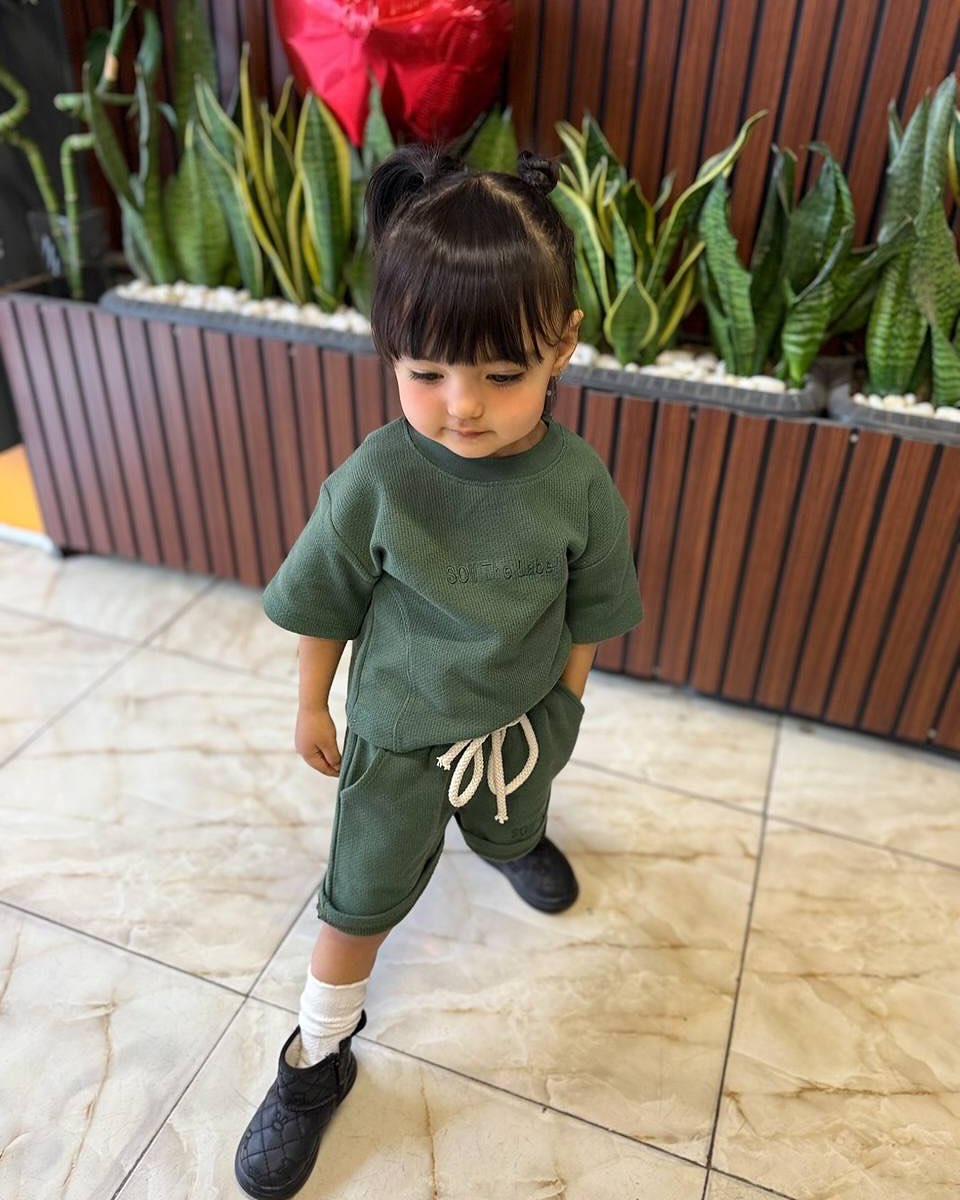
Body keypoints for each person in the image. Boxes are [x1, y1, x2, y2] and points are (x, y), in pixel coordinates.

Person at [234, 144, 644, 1199]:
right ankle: (317, 1054)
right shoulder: (376, 477)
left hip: (522, 728)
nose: (462, 404)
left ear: (563, 345)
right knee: (358, 897)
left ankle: (513, 839)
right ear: (391, 353)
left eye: (503, 376)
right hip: (398, 731)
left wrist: (564, 707)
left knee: (511, 821)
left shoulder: (577, 482)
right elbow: (324, 601)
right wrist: (311, 701)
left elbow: (593, 608)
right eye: (425, 373)